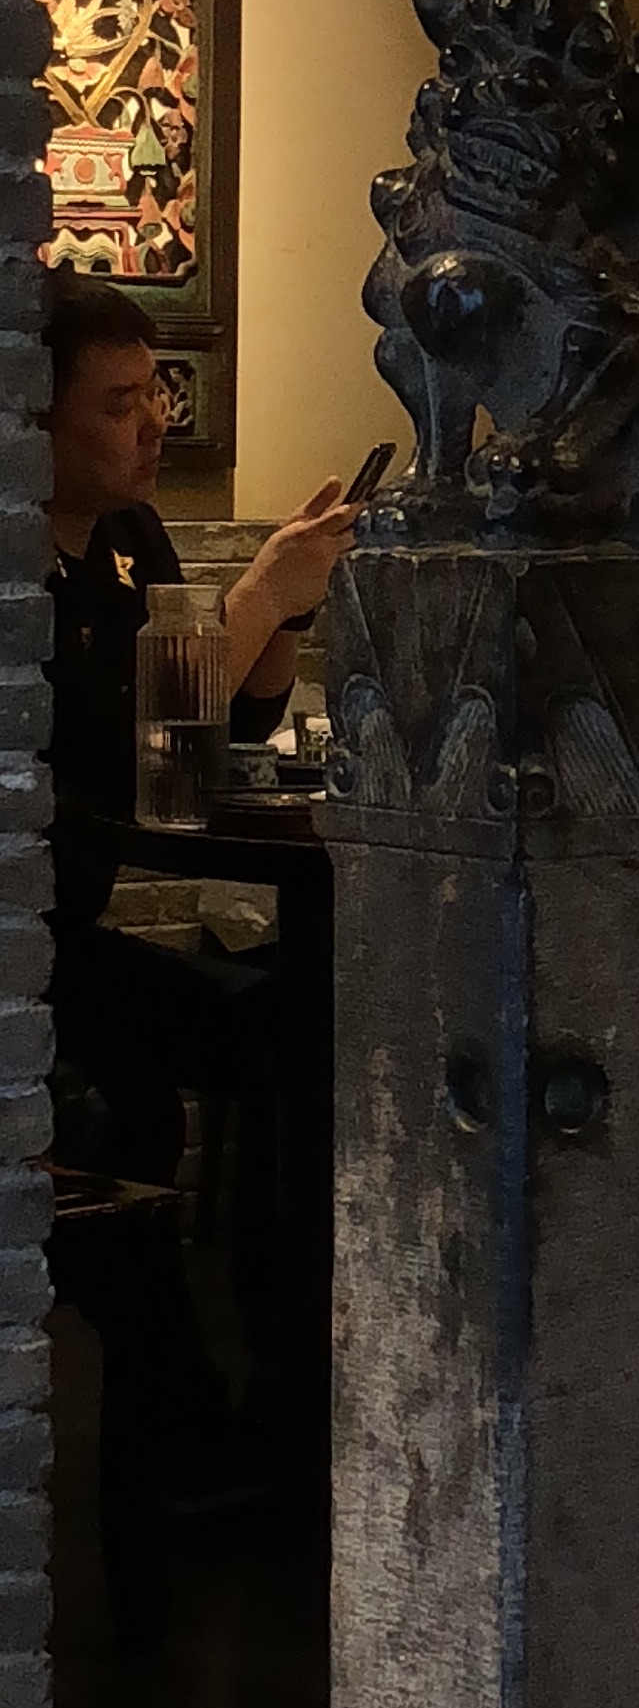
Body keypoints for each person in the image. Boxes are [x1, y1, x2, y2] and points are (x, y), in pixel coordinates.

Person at [42, 274, 357, 1184]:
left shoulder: (130, 533)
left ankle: (285, 1274)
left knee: (292, 1032)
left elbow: (225, 729)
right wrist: (256, 595)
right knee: (139, 1102)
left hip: (73, 938)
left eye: (154, 393)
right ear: (31, 423)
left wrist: (290, 607)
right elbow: (126, 747)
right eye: (118, 405)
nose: (154, 423)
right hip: (28, 940)